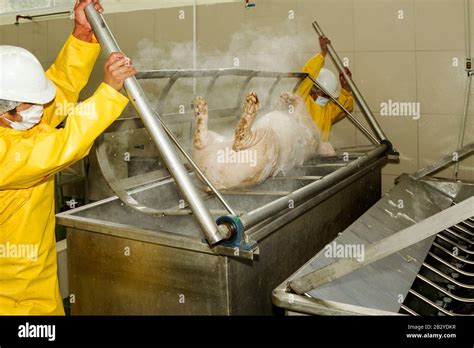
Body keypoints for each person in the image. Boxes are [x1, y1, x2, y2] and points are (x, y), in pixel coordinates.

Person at [0, 0, 137, 315]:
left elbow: (58, 88)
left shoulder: (18, 120)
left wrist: (81, 35)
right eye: (30, 105)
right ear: (4, 112)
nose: (41, 109)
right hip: (10, 298)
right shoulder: (6, 155)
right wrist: (109, 92)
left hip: (36, 279)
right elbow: (65, 144)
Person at [297, 36, 354, 157]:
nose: (327, 99)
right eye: (324, 95)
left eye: (329, 96)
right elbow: (307, 75)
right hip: (297, 156)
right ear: (313, 89)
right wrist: (322, 54)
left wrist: (346, 87)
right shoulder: (301, 100)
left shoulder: (327, 108)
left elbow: (345, 108)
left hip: (316, 157)